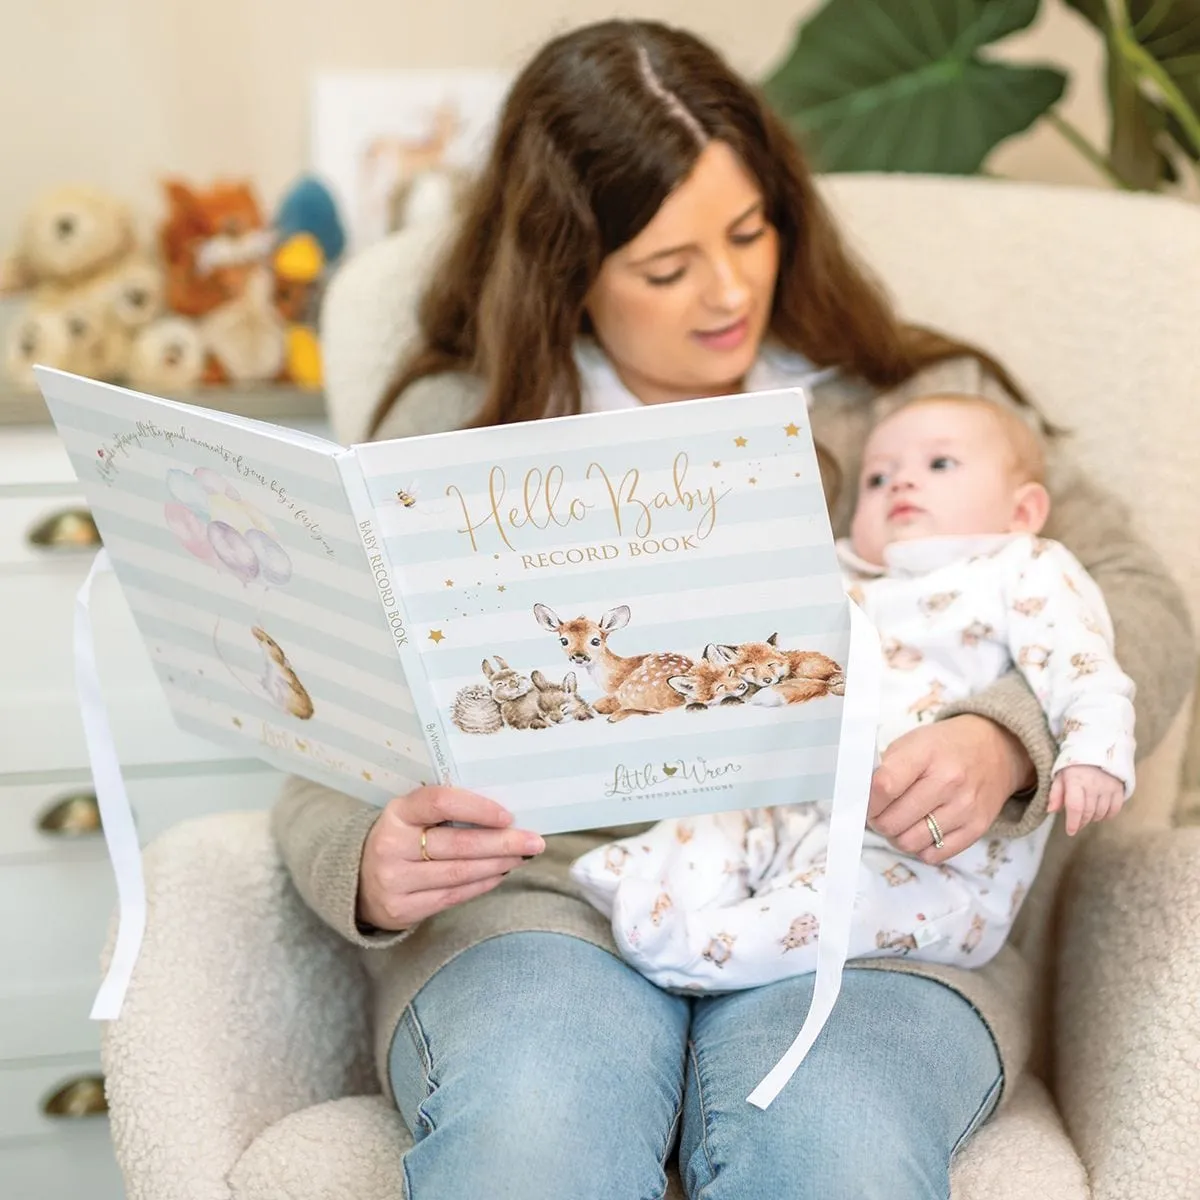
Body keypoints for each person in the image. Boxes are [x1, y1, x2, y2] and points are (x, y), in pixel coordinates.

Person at [271, 19, 1195, 1199]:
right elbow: (323, 726)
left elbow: (1138, 600)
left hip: (872, 910)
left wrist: (1005, 735)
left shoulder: (916, 412)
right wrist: (362, 855)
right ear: (568, 273)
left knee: (833, 1148)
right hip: (543, 905)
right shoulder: (459, 429)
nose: (730, 290)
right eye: (666, 269)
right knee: (534, 1132)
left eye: (751, 232)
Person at [571, 394, 1136, 993]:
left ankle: (705, 950)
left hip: (928, 859)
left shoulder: (1024, 566)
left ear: (1023, 509)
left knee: (834, 905)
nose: (903, 482)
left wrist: (1094, 752)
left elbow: (1083, 662)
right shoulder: (838, 575)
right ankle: (647, 881)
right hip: (797, 809)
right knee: (717, 821)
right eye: (878, 477)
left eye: (940, 465)